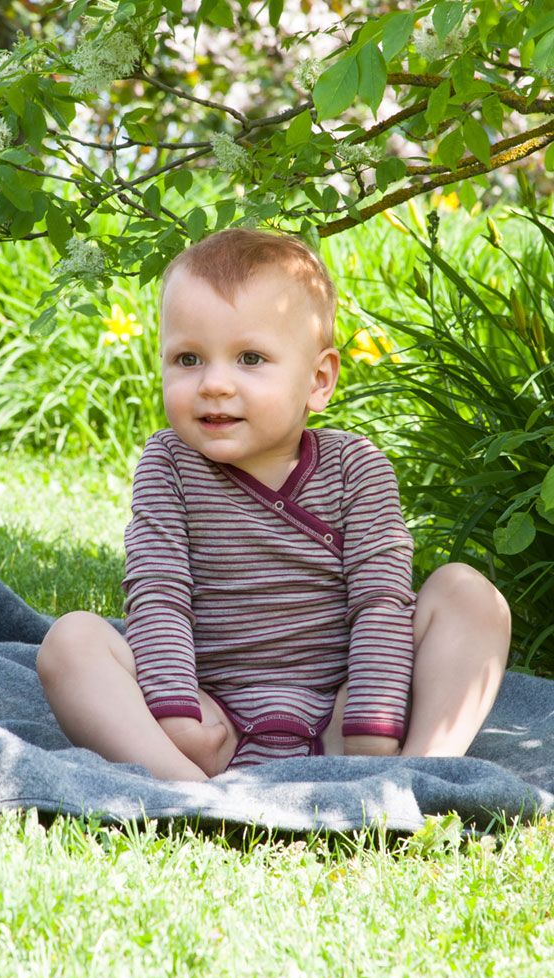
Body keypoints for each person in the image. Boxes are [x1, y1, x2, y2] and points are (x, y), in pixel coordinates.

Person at [37, 228, 510, 781]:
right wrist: (176, 716)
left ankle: (418, 774)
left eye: (250, 358)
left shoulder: (354, 467)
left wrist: (372, 721)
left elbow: (380, 599)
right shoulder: (169, 463)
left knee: (470, 595)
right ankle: (184, 788)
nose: (214, 383)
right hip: (211, 721)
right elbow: (158, 593)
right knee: (69, 641)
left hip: (342, 714)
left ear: (318, 379)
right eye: (188, 358)